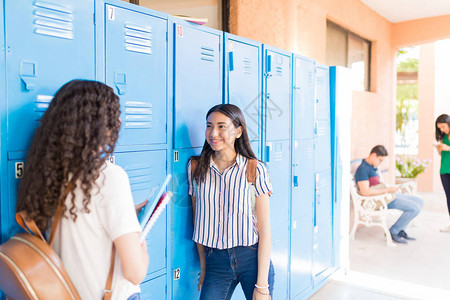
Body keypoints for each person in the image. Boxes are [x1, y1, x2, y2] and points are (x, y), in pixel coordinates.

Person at [16, 80, 149, 300]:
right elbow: (135, 273)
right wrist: (140, 240)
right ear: (96, 125)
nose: (120, 120)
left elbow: (82, 226)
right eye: (114, 114)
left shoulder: (46, 174)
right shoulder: (109, 176)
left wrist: (127, 213)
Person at [187, 104, 275, 299]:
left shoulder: (255, 169)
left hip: (251, 259)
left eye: (221, 126)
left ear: (238, 131)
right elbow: (198, 221)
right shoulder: (196, 168)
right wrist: (204, 267)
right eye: (209, 126)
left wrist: (262, 285)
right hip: (215, 262)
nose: (213, 133)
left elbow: (265, 231)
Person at [354, 145, 423, 244]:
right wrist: (387, 190)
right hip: (378, 200)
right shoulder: (363, 169)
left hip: (385, 196)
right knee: (414, 208)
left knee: (419, 201)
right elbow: (365, 192)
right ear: (373, 155)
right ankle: (394, 231)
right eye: (380, 160)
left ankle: (400, 229)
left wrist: (389, 189)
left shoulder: (372, 166)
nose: (380, 163)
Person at [435, 114, 450, 233]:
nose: (442, 129)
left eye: (443, 126)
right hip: (444, 170)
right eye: (440, 128)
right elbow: (442, 154)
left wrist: (447, 148)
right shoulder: (442, 137)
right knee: (449, 198)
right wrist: (439, 149)